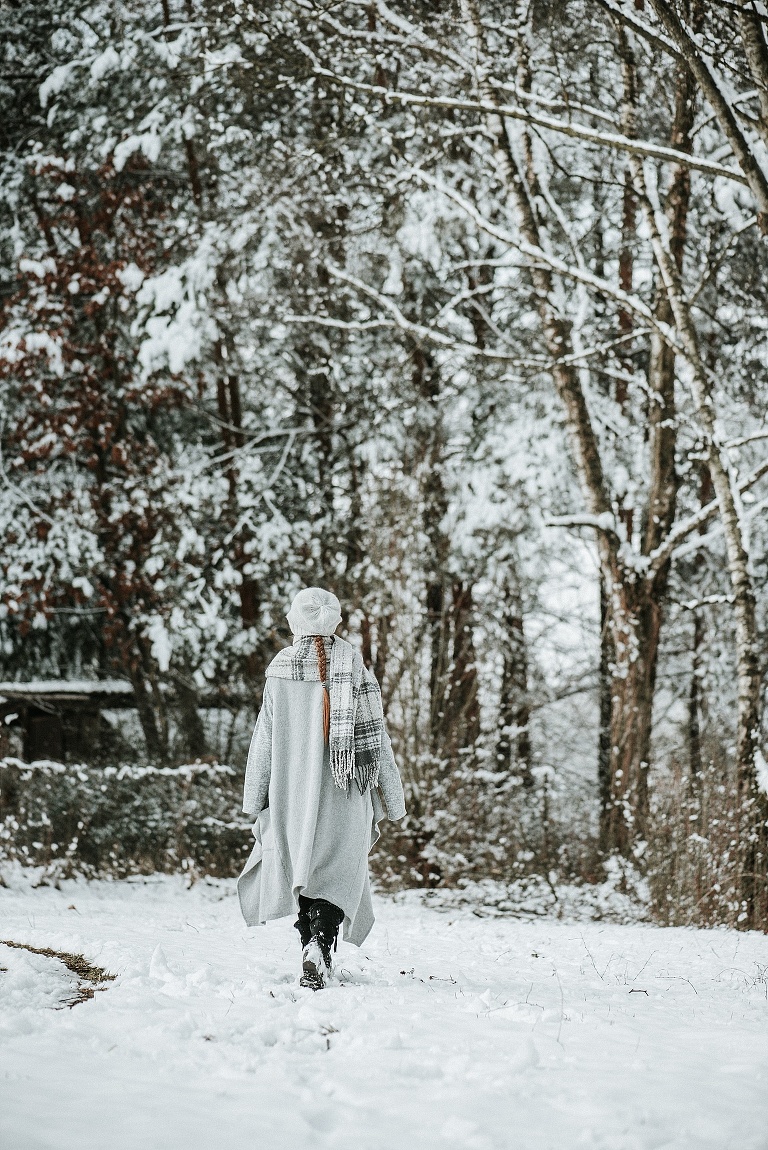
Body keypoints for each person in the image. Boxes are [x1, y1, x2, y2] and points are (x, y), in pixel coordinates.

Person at [237, 587, 406, 990]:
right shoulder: (355, 667)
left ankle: (311, 945)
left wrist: (254, 795)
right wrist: (393, 799)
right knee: (337, 871)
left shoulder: (279, 672)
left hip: (292, 793)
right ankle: (320, 943)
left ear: (296, 621)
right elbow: (376, 737)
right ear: (335, 621)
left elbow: (264, 737)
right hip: (347, 790)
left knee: (302, 866)